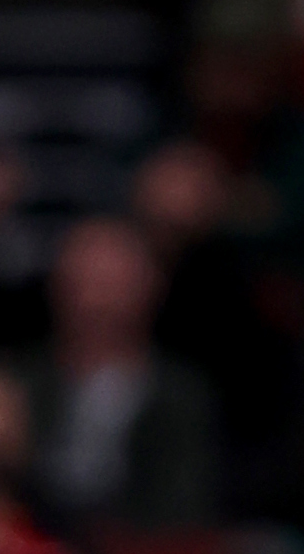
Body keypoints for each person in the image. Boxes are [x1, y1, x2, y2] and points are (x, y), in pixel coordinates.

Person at [19, 217, 221, 530]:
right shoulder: (19, 381)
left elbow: (185, 500)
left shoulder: (182, 394)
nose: (96, 302)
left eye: (111, 286)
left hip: (142, 552)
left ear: (151, 289)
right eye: (83, 283)